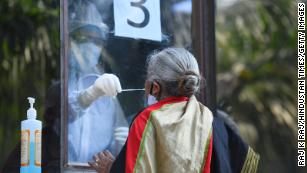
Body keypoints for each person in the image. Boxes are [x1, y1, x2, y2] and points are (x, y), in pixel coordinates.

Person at [89, 48, 260, 173]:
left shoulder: (148, 120)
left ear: (155, 87)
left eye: (147, 80)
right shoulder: (216, 124)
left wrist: (112, 169)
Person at [67, 0, 128, 163]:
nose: (91, 45)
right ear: (69, 40)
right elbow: (61, 116)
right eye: (84, 38)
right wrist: (90, 94)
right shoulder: (63, 81)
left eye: (97, 41)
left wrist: (122, 145)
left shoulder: (107, 92)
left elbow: (115, 140)